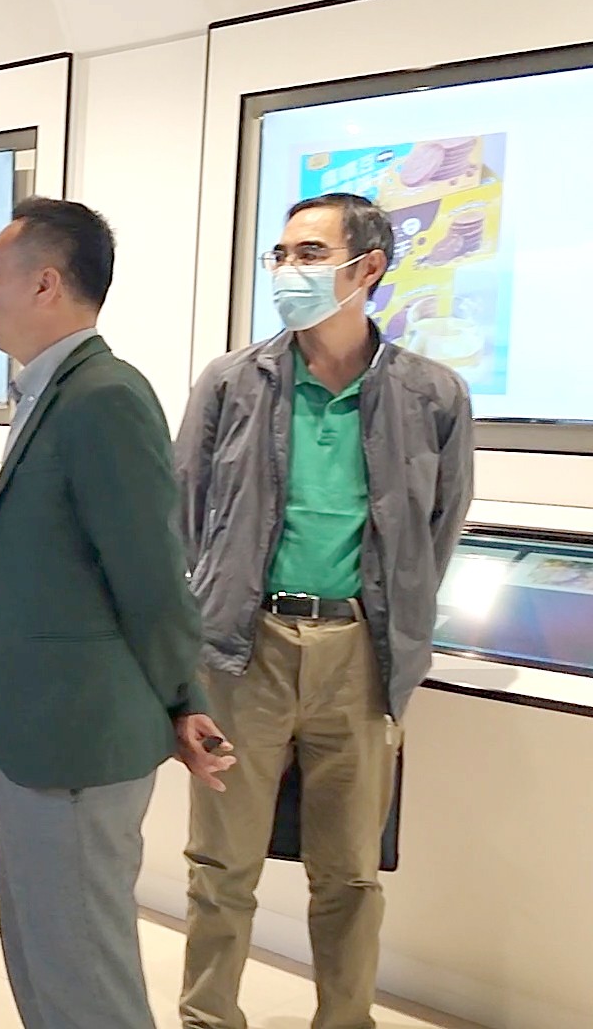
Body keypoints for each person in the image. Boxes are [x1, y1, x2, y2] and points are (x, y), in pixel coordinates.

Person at [176, 192, 474, 1029]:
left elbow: (439, 528)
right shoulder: (232, 382)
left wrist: (393, 628)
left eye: (308, 254)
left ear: (367, 268)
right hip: (244, 651)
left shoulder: (433, 394)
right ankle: (208, 1019)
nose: (286, 270)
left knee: (348, 873)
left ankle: (345, 1021)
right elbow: (184, 512)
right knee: (220, 864)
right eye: (280, 254)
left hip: (360, 656)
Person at [0, 197, 233, 1029]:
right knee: (41, 955)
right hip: (39, 730)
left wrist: (184, 698)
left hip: (79, 737)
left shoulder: (104, 396)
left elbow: (151, 573)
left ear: (45, 283)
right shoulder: (50, 391)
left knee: (84, 975)